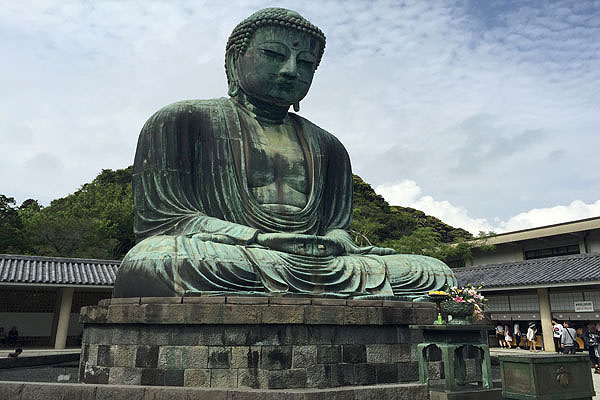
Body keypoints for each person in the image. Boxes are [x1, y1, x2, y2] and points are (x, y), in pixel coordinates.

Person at [111, 7, 457, 299]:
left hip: (318, 262)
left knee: (433, 274)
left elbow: (335, 227)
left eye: (305, 63)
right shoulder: (182, 121)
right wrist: (258, 237)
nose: (291, 69)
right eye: (274, 55)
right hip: (234, 254)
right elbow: (167, 222)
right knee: (156, 260)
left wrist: (336, 243)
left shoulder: (328, 146)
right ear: (234, 60)